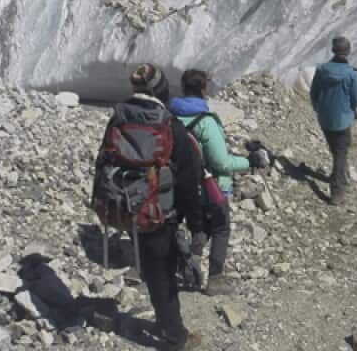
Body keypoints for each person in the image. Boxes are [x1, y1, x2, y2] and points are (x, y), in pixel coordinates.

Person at [93, 64, 204, 350]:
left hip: (127, 206)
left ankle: (166, 321)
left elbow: (104, 161)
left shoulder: (118, 119)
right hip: (161, 212)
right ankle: (175, 335)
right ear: (162, 90)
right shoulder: (170, 126)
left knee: (151, 266)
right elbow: (189, 180)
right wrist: (196, 225)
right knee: (164, 272)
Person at [170, 69, 257, 297]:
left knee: (199, 226)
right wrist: (249, 162)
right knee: (220, 228)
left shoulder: (170, 118)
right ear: (203, 89)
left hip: (179, 186)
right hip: (209, 187)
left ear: (183, 88)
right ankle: (215, 279)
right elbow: (221, 162)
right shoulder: (205, 122)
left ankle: (189, 267)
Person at [309, 36, 357, 206]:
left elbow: (313, 94)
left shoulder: (321, 70)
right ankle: (337, 190)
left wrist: (319, 109)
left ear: (333, 50)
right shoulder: (352, 74)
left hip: (324, 118)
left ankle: (342, 175)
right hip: (342, 120)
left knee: (336, 150)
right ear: (348, 51)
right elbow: (356, 101)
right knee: (341, 153)